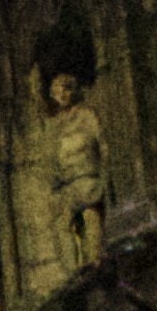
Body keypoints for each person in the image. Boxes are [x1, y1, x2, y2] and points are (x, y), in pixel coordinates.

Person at [42, 63, 108, 268]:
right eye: (57, 91)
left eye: (65, 89)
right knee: (62, 225)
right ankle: (72, 271)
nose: (61, 95)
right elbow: (51, 156)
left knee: (91, 218)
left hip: (88, 179)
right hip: (67, 185)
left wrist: (105, 174)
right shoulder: (55, 125)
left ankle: (93, 263)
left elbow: (102, 145)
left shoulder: (87, 116)